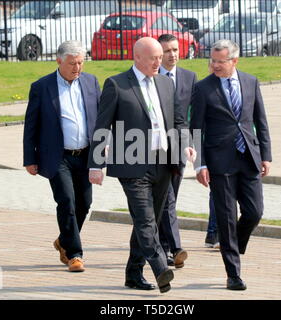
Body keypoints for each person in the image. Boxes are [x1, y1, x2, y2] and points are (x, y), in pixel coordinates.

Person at [88, 37, 195, 293]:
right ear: (137, 57)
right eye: (153, 58)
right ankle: (160, 268)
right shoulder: (116, 84)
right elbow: (101, 126)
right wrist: (95, 164)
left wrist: (187, 143)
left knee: (149, 221)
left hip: (163, 162)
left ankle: (133, 274)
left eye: (160, 57)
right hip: (131, 163)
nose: (160, 62)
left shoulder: (165, 83)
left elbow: (178, 120)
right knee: (145, 220)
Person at [190, 39, 272, 290]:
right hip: (219, 161)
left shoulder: (250, 82)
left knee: (254, 212)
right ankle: (233, 273)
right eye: (212, 60)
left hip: (248, 157)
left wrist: (266, 155)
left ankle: (236, 244)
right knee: (225, 218)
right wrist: (199, 165)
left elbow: (261, 120)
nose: (215, 65)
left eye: (220, 61)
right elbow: (195, 129)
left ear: (234, 61)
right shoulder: (203, 88)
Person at [23, 40, 101, 273]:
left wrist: (101, 149)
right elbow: (31, 125)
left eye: (80, 63)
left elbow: (99, 118)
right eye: (72, 63)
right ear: (59, 61)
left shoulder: (90, 82)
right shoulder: (42, 87)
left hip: (85, 154)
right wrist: (30, 158)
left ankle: (63, 240)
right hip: (57, 156)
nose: (77, 68)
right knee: (66, 201)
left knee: (84, 203)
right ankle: (74, 254)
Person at [157, 34, 197, 268]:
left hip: (179, 147)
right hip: (154, 148)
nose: (172, 55)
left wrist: (192, 144)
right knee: (167, 199)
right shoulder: (151, 77)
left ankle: (163, 246)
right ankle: (173, 247)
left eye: (175, 49)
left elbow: (193, 115)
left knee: (170, 197)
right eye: (167, 51)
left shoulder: (189, 77)